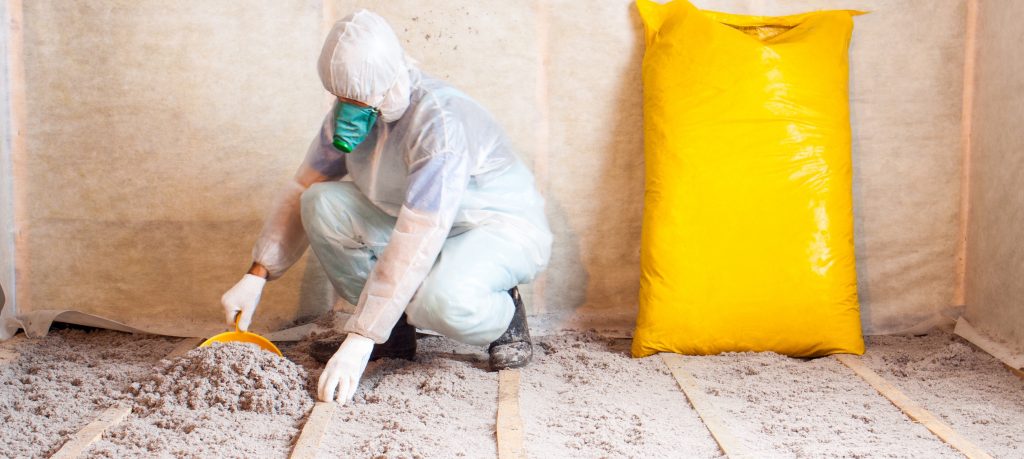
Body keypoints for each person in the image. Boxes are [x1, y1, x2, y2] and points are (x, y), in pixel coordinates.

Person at [220, 10, 552, 405]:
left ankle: (504, 317)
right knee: (320, 202)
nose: (345, 109)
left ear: (384, 82)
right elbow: (302, 185)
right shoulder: (354, 114)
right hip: (414, 222)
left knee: (442, 303)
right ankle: (394, 333)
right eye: (339, 97)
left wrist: (360, 337)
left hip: (492, 228)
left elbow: (419, 232)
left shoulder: (438, 121)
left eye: (355, 98)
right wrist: (258, 272)